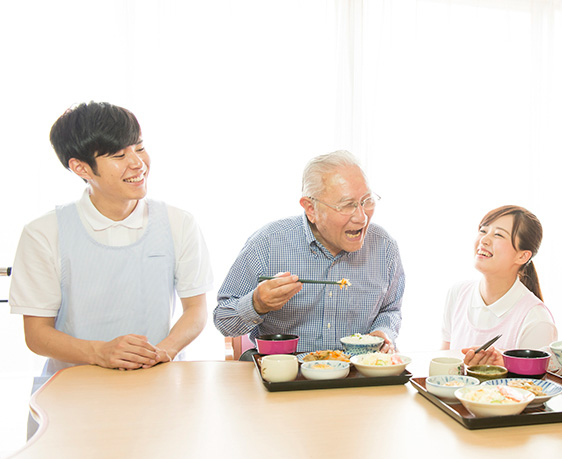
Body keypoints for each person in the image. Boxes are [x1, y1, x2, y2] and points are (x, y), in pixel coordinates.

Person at [9, 102, 213, 399]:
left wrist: (163, 352)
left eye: (139, 148)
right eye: (119, 155)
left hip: (157, 388)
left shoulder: (178, 222)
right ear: (80, 167)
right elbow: (37, 334)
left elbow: (196, 310)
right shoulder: (43, 233)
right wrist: (99, 352)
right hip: (71, 394)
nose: (138, 163)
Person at [214, 150, 405, 354]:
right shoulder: (268, 243)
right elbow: (224, 321)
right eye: (347, 205)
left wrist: (382, 332)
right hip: (286, 374)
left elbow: (390, 311)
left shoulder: (384, 247)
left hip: (357, 372)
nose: (361, 218)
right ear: (310, 208)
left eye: (367, 201)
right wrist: (257, 304)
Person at [441, 205, 556, 366]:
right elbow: (443, 365)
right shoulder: (458, 293)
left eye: (498, 234)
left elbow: (533, 388)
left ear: (523, 256)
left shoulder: (537, 320)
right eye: (483, 231)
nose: (484, 240)